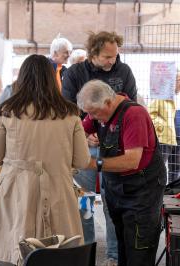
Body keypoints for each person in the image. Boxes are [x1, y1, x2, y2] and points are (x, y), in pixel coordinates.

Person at [0, 54, 91, 265]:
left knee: (20, 251)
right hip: (59, 189)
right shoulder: (70, 113)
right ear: (52, 78)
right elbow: (82, 161)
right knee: (59, 253)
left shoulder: (8, 112)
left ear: (22, 78)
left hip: (18, 192)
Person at [62, 31, 137, 266]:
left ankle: (114, 255)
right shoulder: (75, 73)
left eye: (115, 56)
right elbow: (67, 113)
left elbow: (131, 107)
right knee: (84, 204)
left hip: (115, 150)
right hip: (85, 147)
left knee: (112, 203)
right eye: (107, 56)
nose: (112, 61)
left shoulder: (124, 72)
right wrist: (83, 137)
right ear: (93, 53)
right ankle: (86, 254)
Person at [77, 79, 166, 266]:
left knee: (139, 248)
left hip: (142, 192)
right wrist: (83, 140)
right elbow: (76, 131)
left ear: (108, 103)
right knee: (123, 245)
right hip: (117, 190)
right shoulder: (99, 113)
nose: (91, 118)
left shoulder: (134, 115)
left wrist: (92, 163)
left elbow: (131, 160)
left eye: (93, 113)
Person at [148, 99, 178, 182]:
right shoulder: (160, 98)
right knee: (159, 168)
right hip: (163, 138)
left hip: (174, 139)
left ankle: (172, 190)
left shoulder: (174, 100)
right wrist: (161, 127)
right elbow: (150, 114)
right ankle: (155, 191)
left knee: (175, 169)